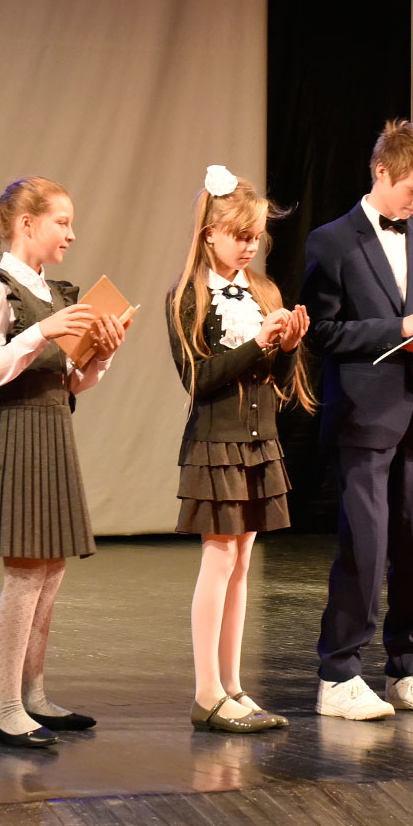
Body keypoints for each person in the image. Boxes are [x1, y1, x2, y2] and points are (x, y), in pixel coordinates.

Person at [304, 120, 413, 721]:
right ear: (381, 171)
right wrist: (397, 328)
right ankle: (339, 673)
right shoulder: (331, 241)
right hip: (362, 413)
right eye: (412, 191)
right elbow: (321, 332)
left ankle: (406, 668)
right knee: (366, 548)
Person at [0, 176, 127, 748]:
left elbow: (70, 380)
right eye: (62, 222)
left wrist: (100, 356)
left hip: (53, 427)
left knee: (51, 570)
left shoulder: (58, 294)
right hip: (14, 431)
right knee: (26, 573)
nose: (71, 234)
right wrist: (39, 330)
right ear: (27, 224)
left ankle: (32, 695)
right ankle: (5, 707)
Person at [165, 166, 311, 734]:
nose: (250, 247)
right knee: (220, 556)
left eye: (256, 237)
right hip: (215, 441)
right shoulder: (188, 296)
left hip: (259, 440)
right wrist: (257, 341)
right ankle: (206, 693)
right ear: (210, 235)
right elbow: (199, 380)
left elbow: (277, 380)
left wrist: (288, 347)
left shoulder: (264, 292)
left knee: (243, 561)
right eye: (240, 236)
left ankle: (232, 686)